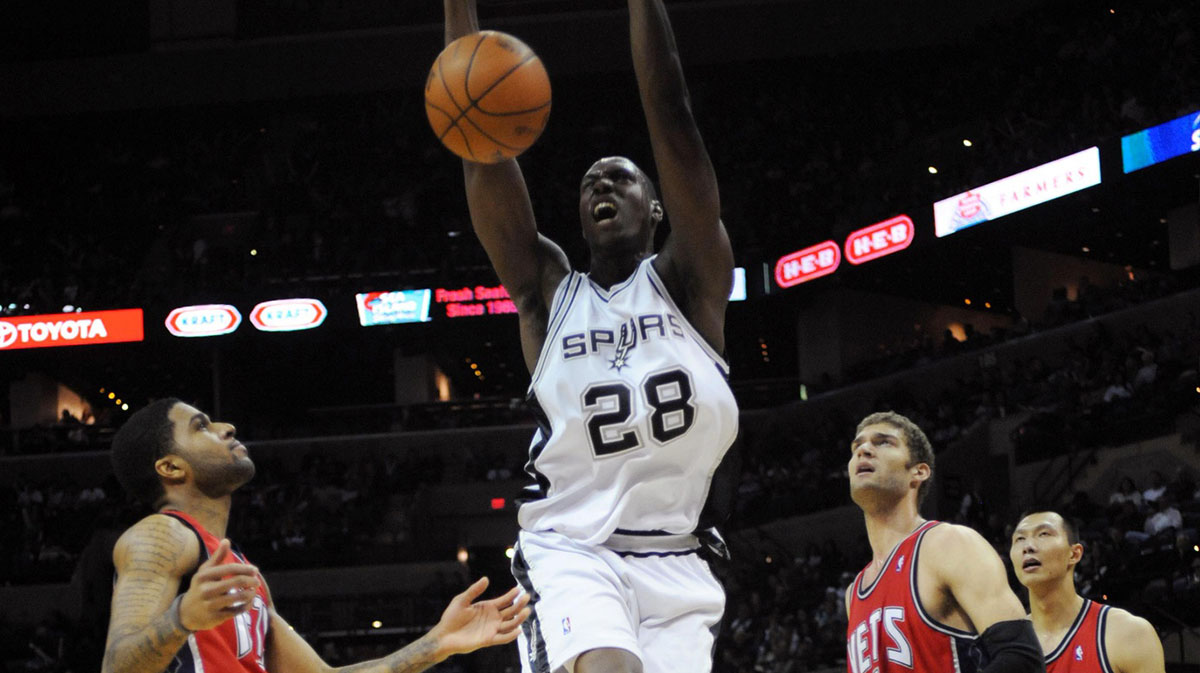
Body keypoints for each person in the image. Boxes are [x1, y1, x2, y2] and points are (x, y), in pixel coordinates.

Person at [442, 1, 738, 671]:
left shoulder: (691, 282)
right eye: (588, 182)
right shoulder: (550, 294)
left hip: (676, 554)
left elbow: (673, 113)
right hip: (573, 546)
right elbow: (480, 148)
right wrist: (459, 10)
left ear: (657, 207)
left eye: (622, 176)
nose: (601, 182)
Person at [102, 398, 529, 673]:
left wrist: (437, 643)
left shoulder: (242, 574)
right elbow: (117, 667)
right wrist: (182, 618)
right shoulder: (161, 537)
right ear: (171, 468)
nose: (226, 427)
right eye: (201, 426)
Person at [845, 411, 1043, 673]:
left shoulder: (948, 544)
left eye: (883, 442)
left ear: (919, 472)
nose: (864, 450)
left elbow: (1021, 658)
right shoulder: (853, 594)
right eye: (857, 446)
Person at [1009, 510, 1165, 672]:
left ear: (1074, 554)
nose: (1028, 547)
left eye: (1043, 534)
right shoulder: (1003, 647)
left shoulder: (1129, 634)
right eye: (1020, 539)